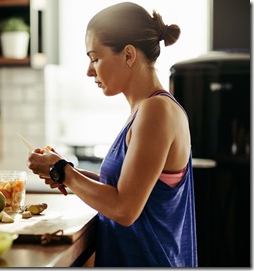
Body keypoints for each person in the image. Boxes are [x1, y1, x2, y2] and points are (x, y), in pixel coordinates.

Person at [26, 1, 197, 267]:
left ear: (128, 55)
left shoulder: (156, 111)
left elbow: (125, 209)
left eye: (95, 58)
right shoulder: (145, 110)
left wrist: (63, 172)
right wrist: (64, 170)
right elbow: (125, 188)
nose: (89, 70)